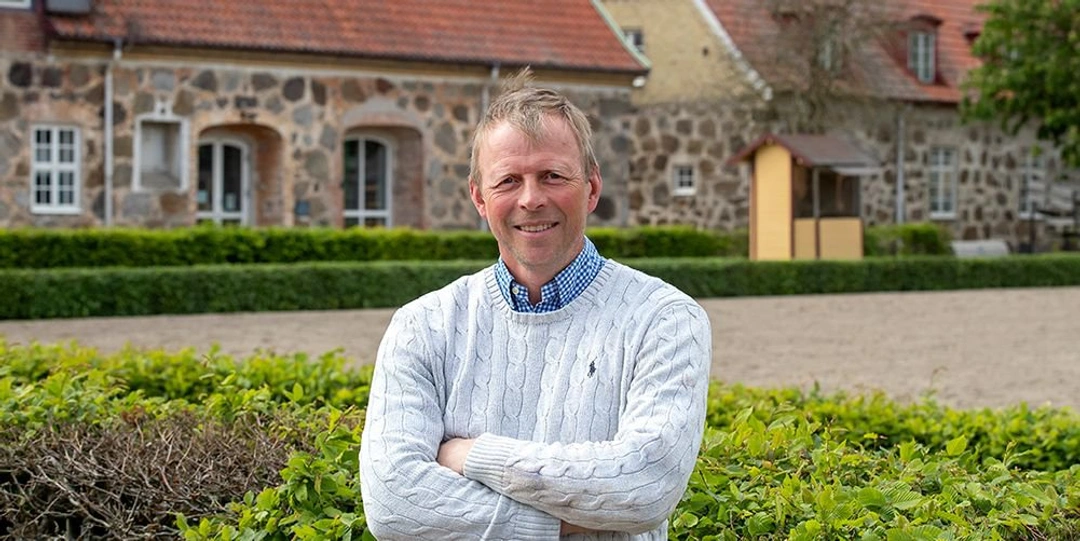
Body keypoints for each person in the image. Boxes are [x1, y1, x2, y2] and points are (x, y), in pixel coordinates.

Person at [359, 71, 711, 540]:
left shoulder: (665, 319)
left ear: (591, 187)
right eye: (508, 180)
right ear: (479, 198)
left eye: (552, 176)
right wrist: (566, 522)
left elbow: (644, 486)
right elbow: (394, 504)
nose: (531, 199)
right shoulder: (423, 327)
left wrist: (472, 456)